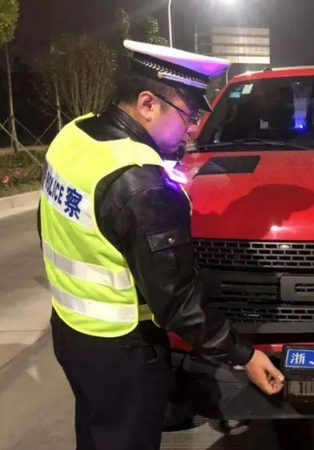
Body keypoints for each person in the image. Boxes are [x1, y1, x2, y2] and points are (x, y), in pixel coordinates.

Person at [38, 40, 284, 450]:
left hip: (71, 330)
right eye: (189, 115)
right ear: (147, 104)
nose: (193, 128)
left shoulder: (74, 135)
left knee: (97, 433)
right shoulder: (142, 183)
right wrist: (244, 354)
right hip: (123, 350)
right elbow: (178, 302)